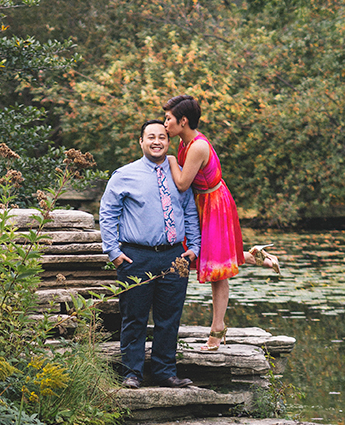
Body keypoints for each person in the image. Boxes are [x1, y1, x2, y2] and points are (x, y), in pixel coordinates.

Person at [162, 95, 281, 351]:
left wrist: (170, 160)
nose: (164, 124)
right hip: (202, 203)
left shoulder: (196, 147)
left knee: (217, 271)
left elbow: (182, 183)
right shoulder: (185, 142)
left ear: (183, 121)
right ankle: (256, 256)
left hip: (214, 206)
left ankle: (217, 332)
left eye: (168, 119)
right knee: (209, 257)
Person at [99, 121, 203, 390]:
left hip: (175, 257)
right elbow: (108, 214)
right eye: (151, 137)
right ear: (141, 141)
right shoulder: (124, 175)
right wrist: (114, 252)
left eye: (162, 137)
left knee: (169, 317)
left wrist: (194, 248)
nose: (157, 141)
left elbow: (190, 211)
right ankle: (131, 373)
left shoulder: (179, 174)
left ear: (168, 142)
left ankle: (164, 372)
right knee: (134, 317)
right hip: (136, 256)